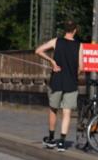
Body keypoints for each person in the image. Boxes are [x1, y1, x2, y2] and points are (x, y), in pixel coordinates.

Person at [35, 19, 83, 151]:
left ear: (65, 29)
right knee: (67, 112)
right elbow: (82, 67)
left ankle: (51, 139)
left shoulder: (56, 41)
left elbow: (38, 50)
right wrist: (74, 73)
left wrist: (51, 61)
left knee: (53, 109)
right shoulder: (79, 45)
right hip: (71, 82)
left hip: (56, 81)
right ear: (75, 30)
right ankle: (62, 142)